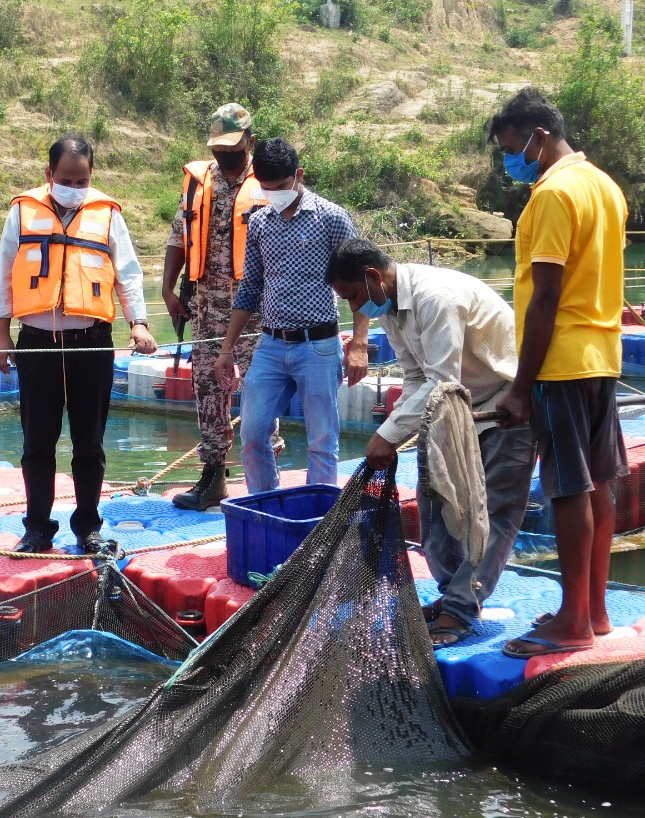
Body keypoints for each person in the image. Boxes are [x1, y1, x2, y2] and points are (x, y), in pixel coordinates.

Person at [327, 238, 535, 647]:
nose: (355, 308)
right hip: (454, 410)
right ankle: (453, 594)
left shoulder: (435, 297)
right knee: (434, 500)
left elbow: (441, 379)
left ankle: (461, 607)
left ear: (373, 277)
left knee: (496, 510)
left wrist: (388, 435)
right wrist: (394, 430)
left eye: (352, 296)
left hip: (505, 403)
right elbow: (415, 377)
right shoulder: (389, 307)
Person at [488, 89, 629, 658]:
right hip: (603, 355)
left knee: (569, 490)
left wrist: (520, 388)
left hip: (561, 363)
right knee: (598, 483)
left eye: (511, 147)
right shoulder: (604, 185)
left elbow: (546, 296)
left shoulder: (551, 194)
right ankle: (593, 611)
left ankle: (572, 623)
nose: (510, 160)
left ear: (538, 137)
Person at [0, 136, 158, 554]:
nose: (75, 187)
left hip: (92, 342)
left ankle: (88, 528)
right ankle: (37, 529)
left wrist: (138, 323)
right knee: (37, 443)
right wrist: (1, 333)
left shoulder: (108, 214)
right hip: (37, 342)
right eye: (66, 180)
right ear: (49, 175)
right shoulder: (22, 211)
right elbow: (5, 273)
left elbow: (128, 273)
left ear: (91, 176)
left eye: (82, 180)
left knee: (90, 442)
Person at [216, 138, 369, 493]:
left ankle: (320, 518)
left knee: (322, 440)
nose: (274, 195)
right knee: (252, 433)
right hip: (271, 345)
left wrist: (360, 343)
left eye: (281, 187)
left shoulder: (332, 219)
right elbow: (249, 289)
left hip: (318, 346)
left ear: (299, 175)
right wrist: (226, 349)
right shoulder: (259, 223)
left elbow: (361, 285)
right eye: (266, 189)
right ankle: (265, 504)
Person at [162, 103, 266, 511]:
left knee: (260, 392)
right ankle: (213, 476)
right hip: (206, 308)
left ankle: (264, 480)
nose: (224, 155)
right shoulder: (198, 181)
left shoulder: (268, 180)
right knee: (207, 390)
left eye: (233, 148)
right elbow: (179, 236)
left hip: (257, 311)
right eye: (218, 148)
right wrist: (168, 289)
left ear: (250, 142)